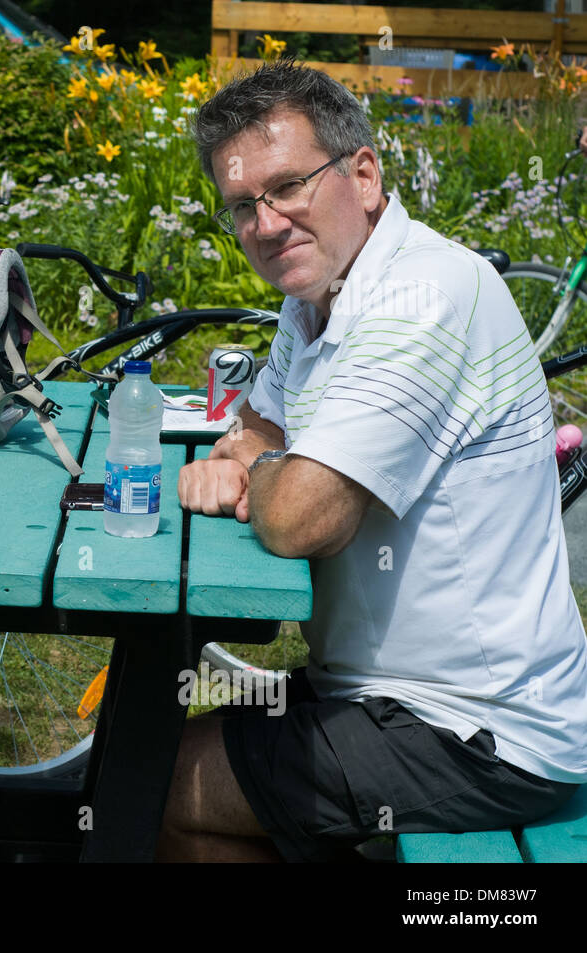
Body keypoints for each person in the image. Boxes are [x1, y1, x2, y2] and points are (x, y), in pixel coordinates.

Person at [170, 60, 587, 862]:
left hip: (480, 726)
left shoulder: (419, 297)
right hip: (387, 693)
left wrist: (255, 478)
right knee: (148, 739)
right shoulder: (316, 293)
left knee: (168, 780)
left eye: (288, 185)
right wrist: (264, 459)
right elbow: (256, 424)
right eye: (242, 207)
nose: (266, 223)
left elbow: (300, 518)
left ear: (363, 174)